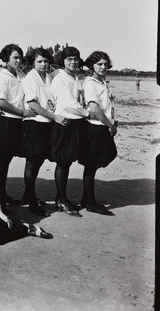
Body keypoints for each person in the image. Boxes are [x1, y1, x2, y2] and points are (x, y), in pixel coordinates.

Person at [20, 47, 66, 217]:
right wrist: (54, 117)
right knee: (32, 163)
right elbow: (33, 104)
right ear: (33, 63)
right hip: (35, 124)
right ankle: (31, 201)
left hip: (46, 123)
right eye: (39, 61)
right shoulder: (30, 78)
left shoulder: (48, 77)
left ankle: (27, 195)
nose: (43, 64)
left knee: (38, 162)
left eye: (46, 61)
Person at [0, 44, 35, 205]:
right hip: (4, 122)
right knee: (1, 161)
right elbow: (0, 102)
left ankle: (1, 194)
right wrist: (21, 113)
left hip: (14, 123)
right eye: (15, 57)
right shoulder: (1, 77)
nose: (18, 60)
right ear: (6, 58)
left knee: (5, 160)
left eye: (20, 57)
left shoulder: (18, 76)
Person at [50, 46, 90, 217]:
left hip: (76, 123)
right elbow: (68, 104)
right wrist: (88, 112)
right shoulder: (60, 79)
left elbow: (80, 100)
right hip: (65, 123)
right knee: (63, 161)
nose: (73, 62)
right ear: (63, 61)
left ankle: (62, 198)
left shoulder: (76, 78)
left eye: (75, 59)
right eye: (69, 59)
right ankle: (61, 199)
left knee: (68, 161)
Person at [78, 51, 117, 216]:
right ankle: (90, 202)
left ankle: (86, 199)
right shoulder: (90, 83)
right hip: (94, 128)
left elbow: (106, 105)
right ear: (91, 65)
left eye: (105, 64)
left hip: (102, 126)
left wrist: (112, 121)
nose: (103, 67)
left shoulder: (102, 82)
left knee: (94, 163)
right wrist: (110, 126)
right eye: (99, 64)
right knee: (91, 165)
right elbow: (94, 109)